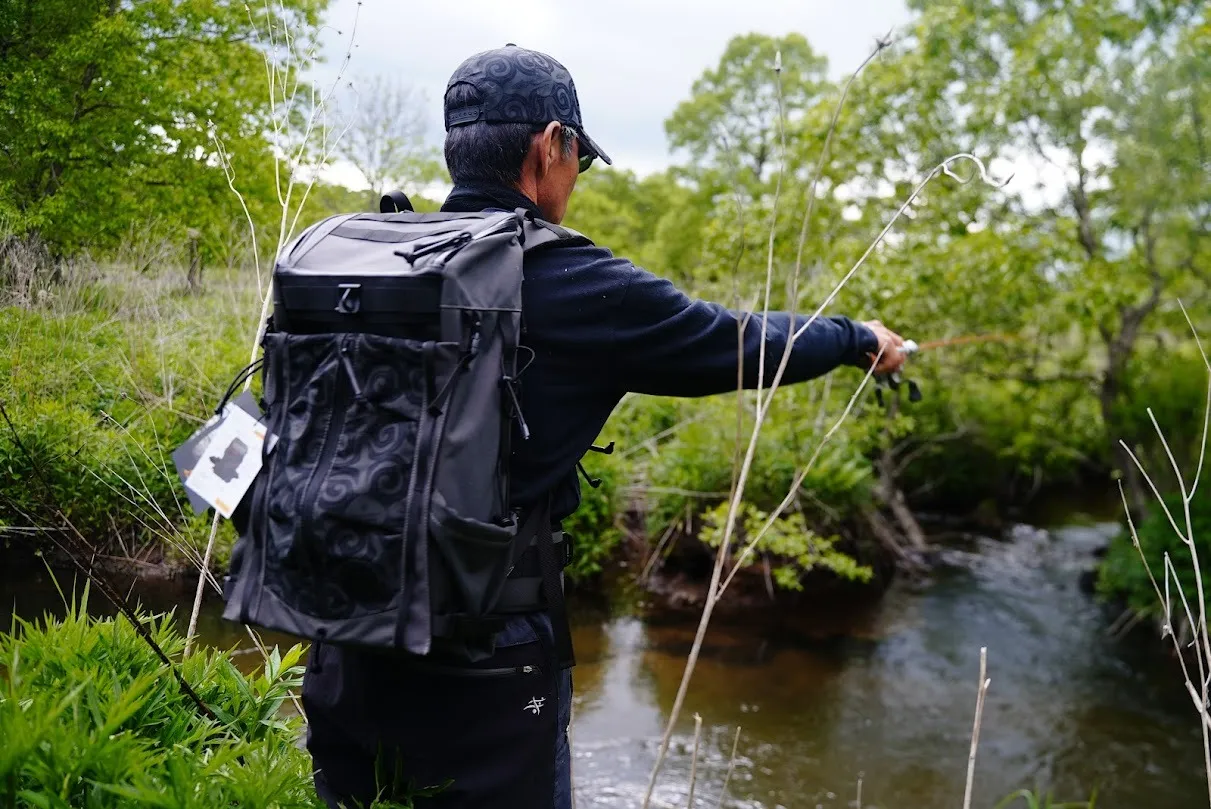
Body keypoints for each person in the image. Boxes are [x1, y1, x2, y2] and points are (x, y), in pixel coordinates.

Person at [300, 44, 907, 809]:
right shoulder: (571, 280)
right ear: (551, 145)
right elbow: (743, 342)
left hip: (341, 637)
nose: (577, 176)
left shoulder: (375, 259)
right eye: (579, 156)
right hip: (485, 661)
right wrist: (858, 338)